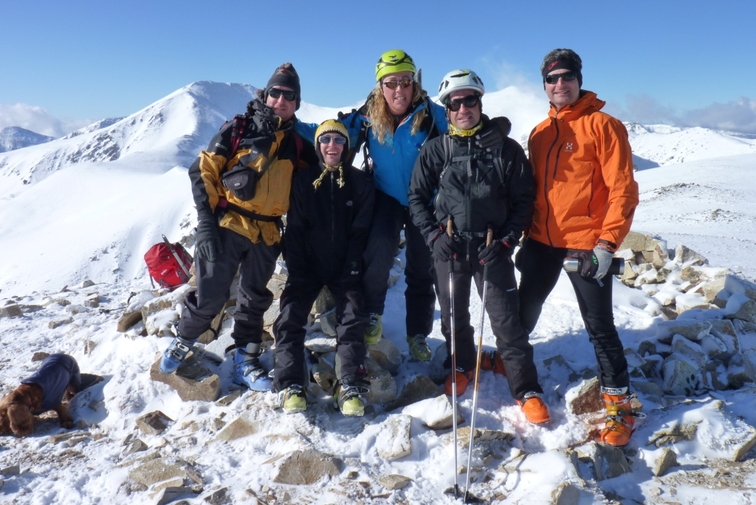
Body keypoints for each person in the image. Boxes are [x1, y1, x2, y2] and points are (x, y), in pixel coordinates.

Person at [159, 63, 317, 392]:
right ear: (266, 94)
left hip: (268, 232)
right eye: (276, 92)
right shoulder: (239, 129)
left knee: (254, 299)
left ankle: (246, 359)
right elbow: (203, 170)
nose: (281, 100)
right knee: (210, 296)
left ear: (297, 103)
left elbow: (315, 179)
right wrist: (206, 223)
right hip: (228, 224)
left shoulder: (298, 144)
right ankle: (184, 339)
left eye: (289, 95)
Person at [409, 69, 549, 425]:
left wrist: (506, 241)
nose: (463, 108)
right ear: (447, 109)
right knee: (453, 316)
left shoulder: (506, 149)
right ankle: (461, 365)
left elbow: (524, 200)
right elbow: (417, 197)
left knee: (506, 321)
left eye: (469, 99)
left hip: (492, 247)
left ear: (480, 102)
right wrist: (434, 237)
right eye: (455, 103)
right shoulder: (437, 149)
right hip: (450, 246)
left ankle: (526, 389)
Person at [296, 50, 452, 362]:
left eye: (405, 81)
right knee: (378, 253)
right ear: (381, 87)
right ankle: (372, 314)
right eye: (391, 83)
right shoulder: (366, 117)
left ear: (414, 83)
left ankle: (418, 332)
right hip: (385, 197)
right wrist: (287, 122)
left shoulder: (430, 114)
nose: (399, 90)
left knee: (422, 265)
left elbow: (460, 128)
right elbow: (329, 132)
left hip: (425, 199)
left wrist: (490, 132)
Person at [518, 49, 640, 445]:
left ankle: (620, 407)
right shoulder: (539, 132)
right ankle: (512, 365)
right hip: (541, 241)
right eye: (552, 78)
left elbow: (623, 190)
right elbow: (534, 191)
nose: (560, 84)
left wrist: (607, 243)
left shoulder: (604, 126)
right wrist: (524, 234)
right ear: (544, 85)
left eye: (567, 76)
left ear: (579, 79)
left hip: (586, 245)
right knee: (523, 312)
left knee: (599, 326)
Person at [272, 119, 375, 416]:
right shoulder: (304, 180)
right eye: (326, 139)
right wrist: (297, 267)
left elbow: (361, 231)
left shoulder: (360, 182)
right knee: (289, 316)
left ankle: (349, 383)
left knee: (352, 318)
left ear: (346, 146)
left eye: (339, 140)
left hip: (345, 266)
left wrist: (353, 267)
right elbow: (295, 229)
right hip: (308, 266)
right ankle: (292, 384)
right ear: (317, 146)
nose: (332, 145)